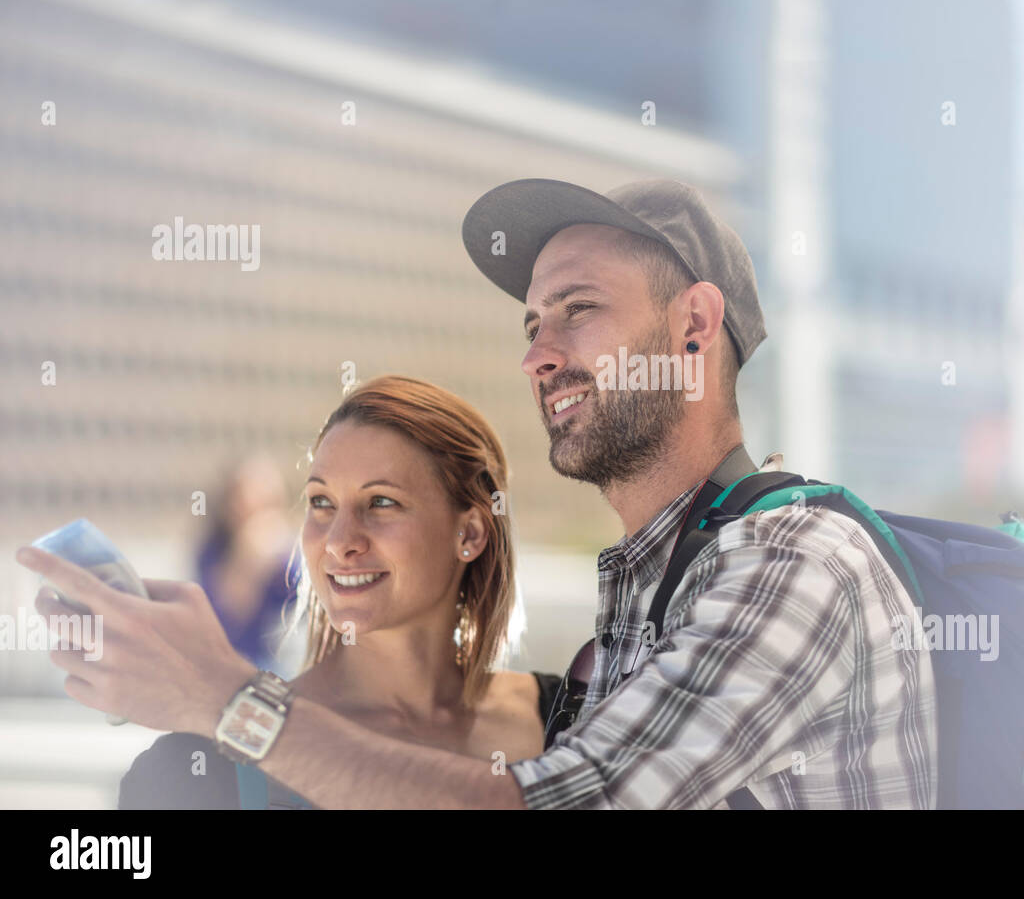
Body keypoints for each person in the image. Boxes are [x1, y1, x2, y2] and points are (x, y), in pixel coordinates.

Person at [23, 178, 936, 809]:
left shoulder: (796, 567)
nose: (540, 352)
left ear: (693, 325)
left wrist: (225, 699)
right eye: (534, 323)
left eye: (579, 309)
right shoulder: (647, 600)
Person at [116, 376, 562, 808]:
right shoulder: (193, 772)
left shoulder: (571, 719)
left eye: (382, 502)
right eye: (321, 502)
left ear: (469, 533)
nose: (338, 541)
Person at [194, 453, 298, 676]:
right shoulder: (213, 551)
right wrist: (247, 558)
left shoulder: (291, 557)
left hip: (276, 670)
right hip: (225, 664)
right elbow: (231, 612)